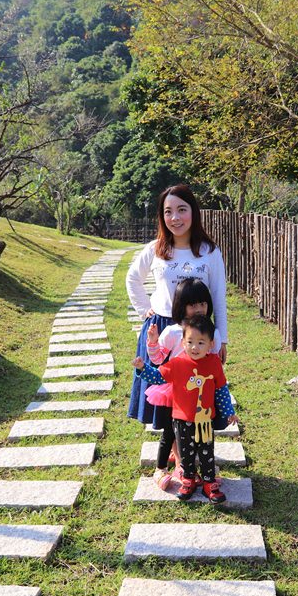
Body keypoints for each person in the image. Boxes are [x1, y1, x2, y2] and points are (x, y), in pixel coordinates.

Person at [126, 183, 228, 433]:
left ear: (193, 212)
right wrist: (144, 310)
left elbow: (218, 295)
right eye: (168, 211)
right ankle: (176, 453)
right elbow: (132, 278)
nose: (175, 217)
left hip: (196, 334)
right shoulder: (156, 248)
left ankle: (186, 452)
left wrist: (222, 338)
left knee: (193, 393)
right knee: (166, 394)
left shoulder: (209, 252)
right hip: (163, 330)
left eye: (181, 210)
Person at [133, 314, 237, 503]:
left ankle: (208, 483)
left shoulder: (213, 363)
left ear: (210, 343)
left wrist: (229, 412)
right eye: (190, 342)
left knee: (207, 451)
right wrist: (142, 368)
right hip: (181, 420)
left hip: (205, 420)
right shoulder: (177, 363)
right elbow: (157, 377)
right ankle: (188, 479)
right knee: (186, 453)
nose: (194, 347)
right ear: (182, 342)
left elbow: (221, 389)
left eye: (200, 342)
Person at [143, 278, 224, 490]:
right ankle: (163, 468)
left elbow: (211, 362)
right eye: (193, 304)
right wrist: (153, 342)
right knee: (171, 429)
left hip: (199, 392)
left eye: (203, 303)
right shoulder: (172, 332)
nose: (199, 309)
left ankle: (199, 469)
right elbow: (159, 359)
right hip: (174, 389)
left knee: (200, 432)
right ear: (181, 305)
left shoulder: (211, 332)